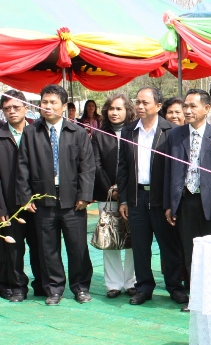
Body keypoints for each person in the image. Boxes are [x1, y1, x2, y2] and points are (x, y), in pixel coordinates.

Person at [16, 84, 95, 306]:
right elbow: (22, 166)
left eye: (53, 102)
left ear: (64, 106)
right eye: (44, 102)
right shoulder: (31, 132)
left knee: (77, 247)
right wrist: (26, 197)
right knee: (47, 247)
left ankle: (80, 287)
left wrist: (85, 195)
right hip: (43, 200)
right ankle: (54, 288)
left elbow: (87, 167)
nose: (48, 106)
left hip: (73, 201)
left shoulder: (77, 132)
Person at [117, 87, 185, 307]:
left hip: (162, 199)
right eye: (137, 102)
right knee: (140, 247)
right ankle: (144, 287)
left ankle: (174, 286)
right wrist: (123, 200)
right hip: (136, 197)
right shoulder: (129, 131)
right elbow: (123, 167)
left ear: (158, 106)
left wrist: (172, 202)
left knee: (169, 246)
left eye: (145, 103)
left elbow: (177, 170)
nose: (140, 106)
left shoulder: (171, 131)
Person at [164, 89, 211, 311]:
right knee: (190, 251)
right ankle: (196, 297)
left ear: (207, 109)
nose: (187, 111)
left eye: (192, 106)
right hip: (185, 201)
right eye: (185, 106)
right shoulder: (175, 135)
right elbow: (169, 171)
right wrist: (169, 204)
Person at [92, 94, 137, 299]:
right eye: (111, 108)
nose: (114, 112)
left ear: (128, 110)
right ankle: (113, 284)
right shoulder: (99, 134)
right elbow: (96, 164)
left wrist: (125, 189)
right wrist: (111, 188)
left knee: (134, 238)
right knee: (110, 236)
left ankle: (132, 281)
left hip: (133, 194)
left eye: (119, 108)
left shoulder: (135, 132)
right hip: (108, 195)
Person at [0, 90, 42, 302]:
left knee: (40, 245)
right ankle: (17, 286)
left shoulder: (38, 132)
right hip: (9, 204)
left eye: (16, 107)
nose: (12, 111)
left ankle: (42, 284)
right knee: (13, 248)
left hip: (36, 202)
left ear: (26, 108)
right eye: (7, 108)